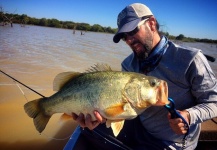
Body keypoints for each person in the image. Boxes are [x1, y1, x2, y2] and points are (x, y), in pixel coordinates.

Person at [72, 3, 217, 149]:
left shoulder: (191, 59)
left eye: (133, 30)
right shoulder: (128, 64)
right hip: (140, 128)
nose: (129, 40)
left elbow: (214, 102)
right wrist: (101, 117)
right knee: (88, 129)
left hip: (173, 143)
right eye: (124, 36)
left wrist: (189, 116)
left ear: (152, 24)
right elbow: (120, 107)